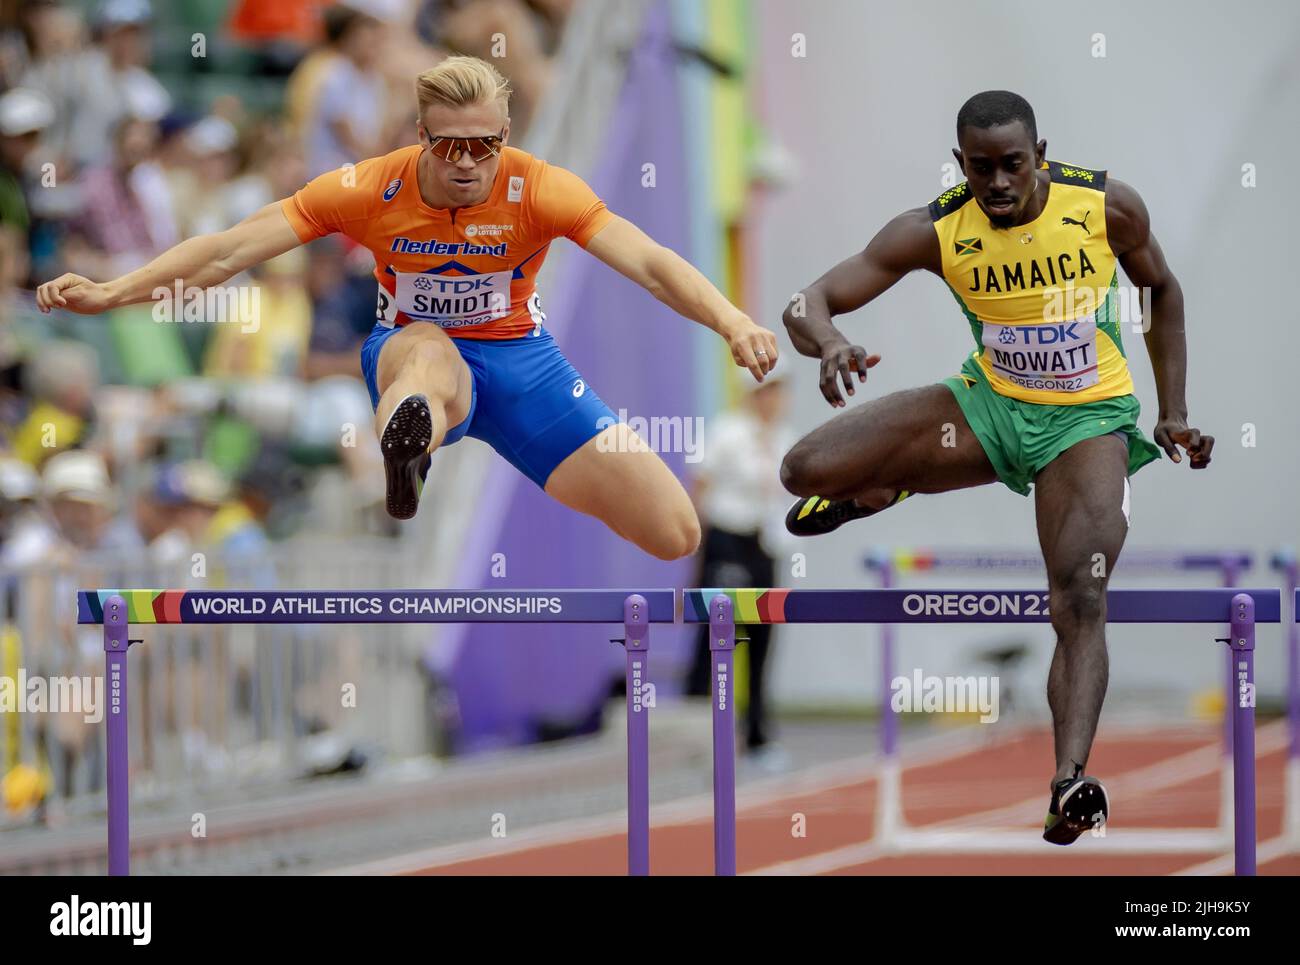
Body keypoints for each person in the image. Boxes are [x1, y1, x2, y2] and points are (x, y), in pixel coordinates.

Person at [37, 56, 778, 560]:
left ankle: (414, 444)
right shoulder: (366, 188)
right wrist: (115, 291)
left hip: (523, 364)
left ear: (505, 136)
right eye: (450, 147)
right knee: (428, 349)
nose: (468, 163)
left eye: (484, 146)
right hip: (413, 356)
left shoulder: (540, 189)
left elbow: (648, 261)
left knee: (676, 532)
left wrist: (733, 320)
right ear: (421, 136)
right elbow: (228, 250)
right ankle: (409, 453)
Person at [778, 91, 1213, 845]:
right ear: (961, 164)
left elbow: (1160, 288)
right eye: (981, 168)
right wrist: (830, 341)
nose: (999, 183)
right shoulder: (938, 228)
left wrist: (1172, 410)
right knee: (804, 468)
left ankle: (1068, 781)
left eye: (1013, 164)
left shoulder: (1105, 206)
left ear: (1041, 154)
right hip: (989, 406)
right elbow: (804, 302)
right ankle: (882, 485)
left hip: (1086, 421)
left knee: (1080, 594)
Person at [687, 376, 795, 767]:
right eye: (768, 390)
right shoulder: (728, 431)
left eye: (780, 390)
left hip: (763, 543)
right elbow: (701, 484)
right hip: (726, 539)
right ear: (753, 393)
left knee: (762, 637)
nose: (774, 399)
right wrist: (697, 547)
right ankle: (696, 735)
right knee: (716, 634)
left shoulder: (785, 438)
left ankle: (757, 737)